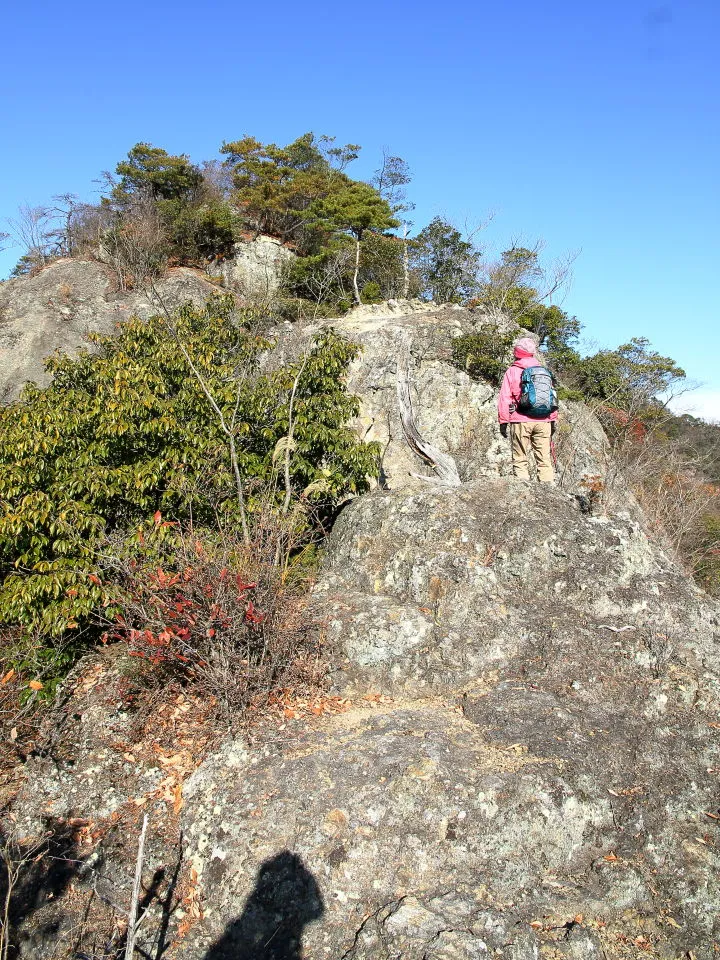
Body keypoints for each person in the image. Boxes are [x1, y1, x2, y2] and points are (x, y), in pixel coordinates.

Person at [497, 336, 558, 483]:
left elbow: (505, 398)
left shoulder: (512, 371)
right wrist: (553, 419)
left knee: (520, 459)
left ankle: (523, 495)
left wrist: (503, 421)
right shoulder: (544, 372)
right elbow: (552, 396)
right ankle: (549, 493)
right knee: (544, 460)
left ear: (517, 352)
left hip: (520, 419)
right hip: (544, 421)